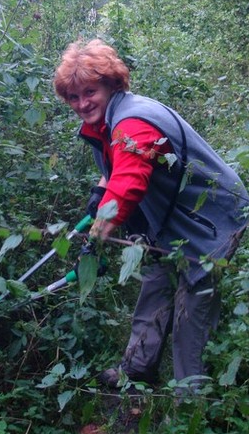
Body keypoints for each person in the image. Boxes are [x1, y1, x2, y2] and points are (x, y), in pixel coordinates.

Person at [54, 39, 248, 390]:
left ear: (112, 84)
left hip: (210, 218)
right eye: (73, 96)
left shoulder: (132, 123)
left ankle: (190, 400)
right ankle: (136, 369)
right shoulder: (112, 119)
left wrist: (93, 245)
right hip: (170, 218)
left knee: (193, 305)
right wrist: (99, 194)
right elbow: (115, 169)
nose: (82, 103)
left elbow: (127, 187)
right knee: (156, 282)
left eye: (89, 91)